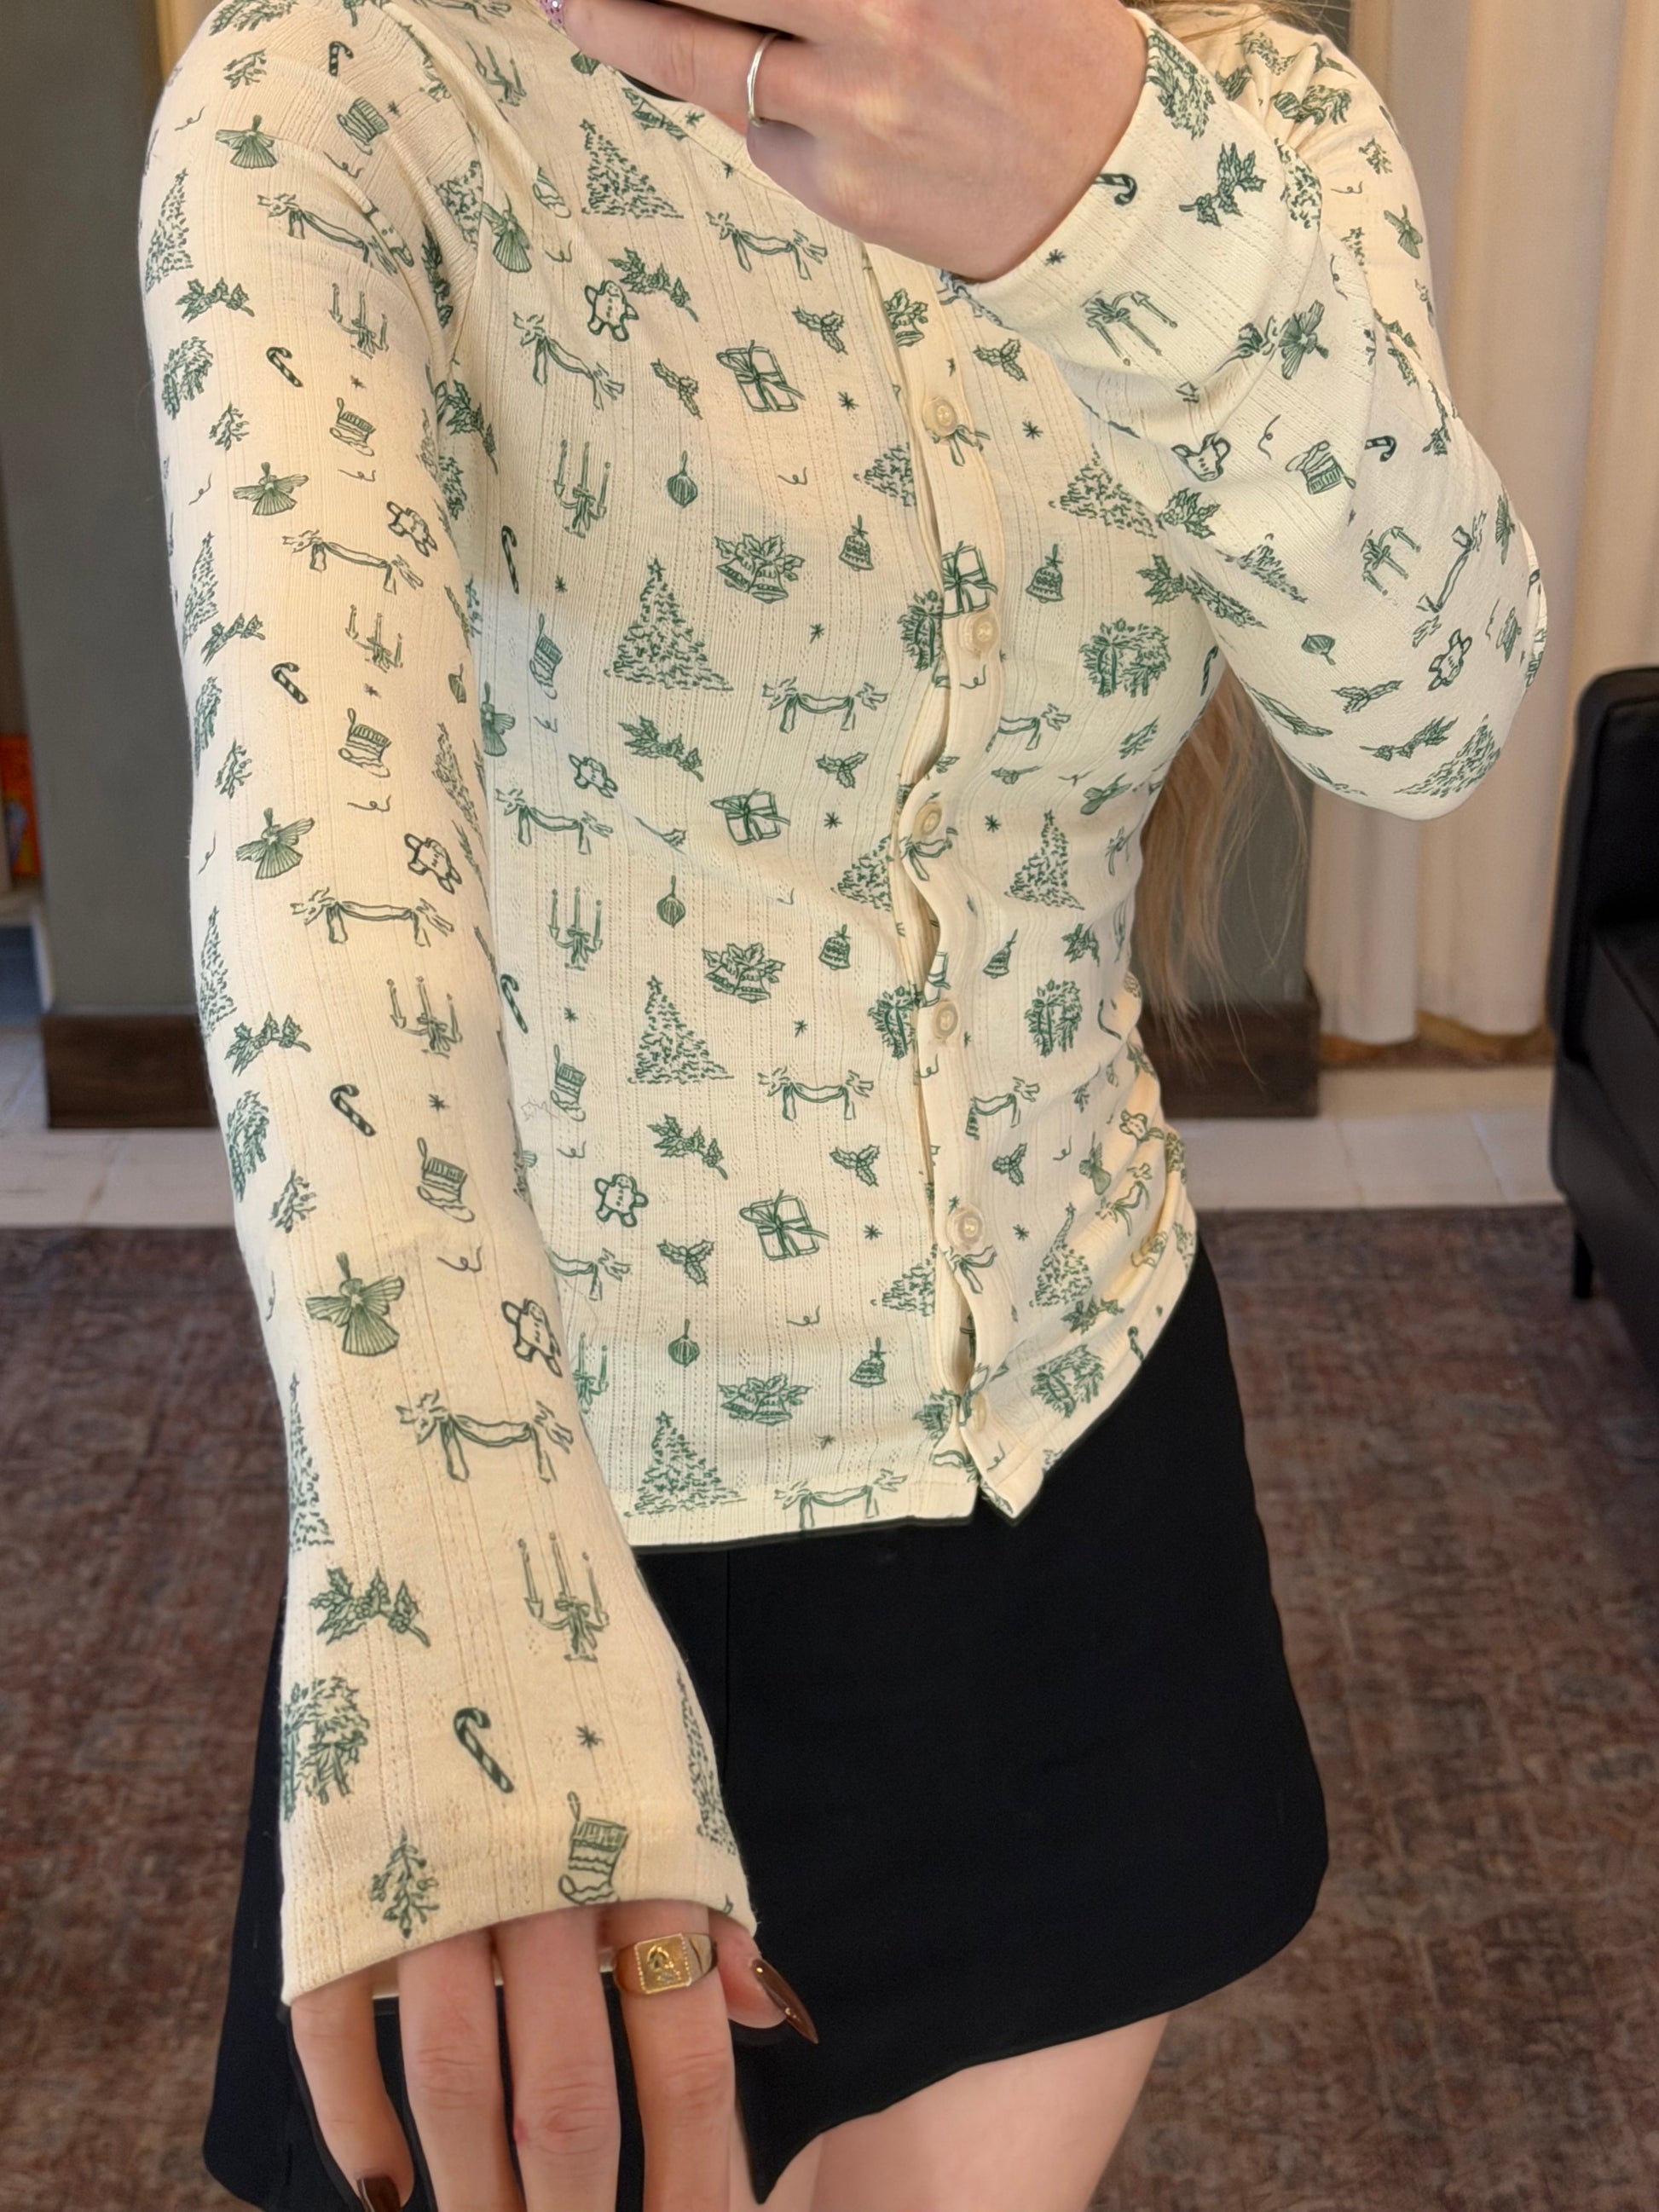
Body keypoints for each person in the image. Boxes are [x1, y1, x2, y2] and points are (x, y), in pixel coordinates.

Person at [138, 0, 1546, 2204]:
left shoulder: (1262, 115)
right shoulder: (350, 83)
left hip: (1079, 1473)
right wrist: (453, 1586)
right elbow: (326, 873)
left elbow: (1433, 718)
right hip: (555, 1524)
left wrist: (1115, 196)